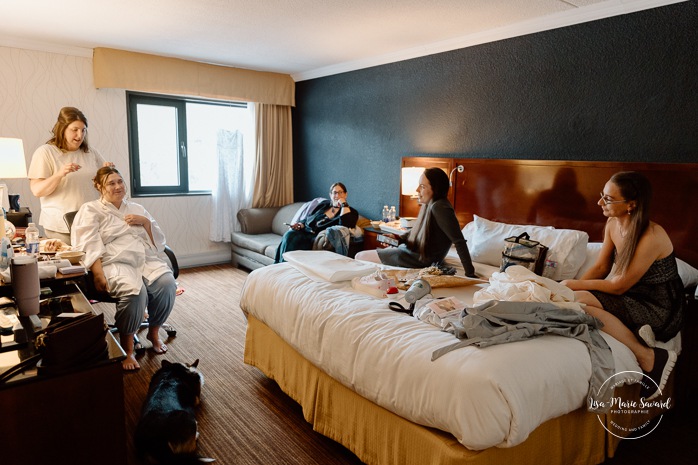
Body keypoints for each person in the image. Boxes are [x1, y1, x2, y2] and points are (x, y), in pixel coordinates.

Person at [560, 171, 684, 400]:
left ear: (631, 205)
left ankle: (649, 356)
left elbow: (618, 286)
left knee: (583, 302)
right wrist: (567, 290)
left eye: (607, 199)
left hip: (658, 306)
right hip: (631, 295)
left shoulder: (652, 236)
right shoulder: (612, 224)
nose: (600, 202)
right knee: (578, 299)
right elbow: (600, 268)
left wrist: (572, 284)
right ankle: (638, 333)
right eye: (602, 195)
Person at [71, 166, 176, 371]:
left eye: (120, 181)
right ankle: (127, 349)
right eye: (111, 183)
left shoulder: (136, 208)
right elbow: (88, 243)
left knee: (167, 283)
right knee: (136, 292)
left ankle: (154, 333)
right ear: (99, 187)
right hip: (113, 262)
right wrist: (98, 274)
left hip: (143, 259)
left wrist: (144, 222)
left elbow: (159, 242)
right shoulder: (90, 209)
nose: (118, 186)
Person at [355, 167, 476, 277]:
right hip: (415, 253)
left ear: (435, 188)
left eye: (423, 186)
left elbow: (459, 241)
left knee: (360, 256)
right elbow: (416, 231)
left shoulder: (440, 207)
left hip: (420, 259)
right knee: (374, 254)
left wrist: (470, 273)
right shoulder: (430, 205)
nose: (417, 190)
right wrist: (397, 237)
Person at [28, 107, 113, 244]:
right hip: (61, 226)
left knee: (94, 263)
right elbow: (37, 190)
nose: (80, 135)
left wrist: (106, 172)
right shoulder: (46, 152)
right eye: (75, 130)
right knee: (73, 264)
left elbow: (102, 186)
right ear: (62, 129)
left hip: (91, 223)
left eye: (83, 130)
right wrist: (60, 174)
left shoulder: (90, 152)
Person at [274, 182, 359, 263]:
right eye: (334, 193)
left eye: (340, 192)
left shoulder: (351, 212)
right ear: (330, 195)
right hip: (305, 232)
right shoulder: (323, 205)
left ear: (346, 194)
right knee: (290, 234)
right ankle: (280, 264)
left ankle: (283, 266)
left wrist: (344, 204)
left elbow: (345, 225)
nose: (337, 195)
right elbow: (309, 219)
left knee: (292, 237)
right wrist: (300, 225)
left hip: (315, 238)